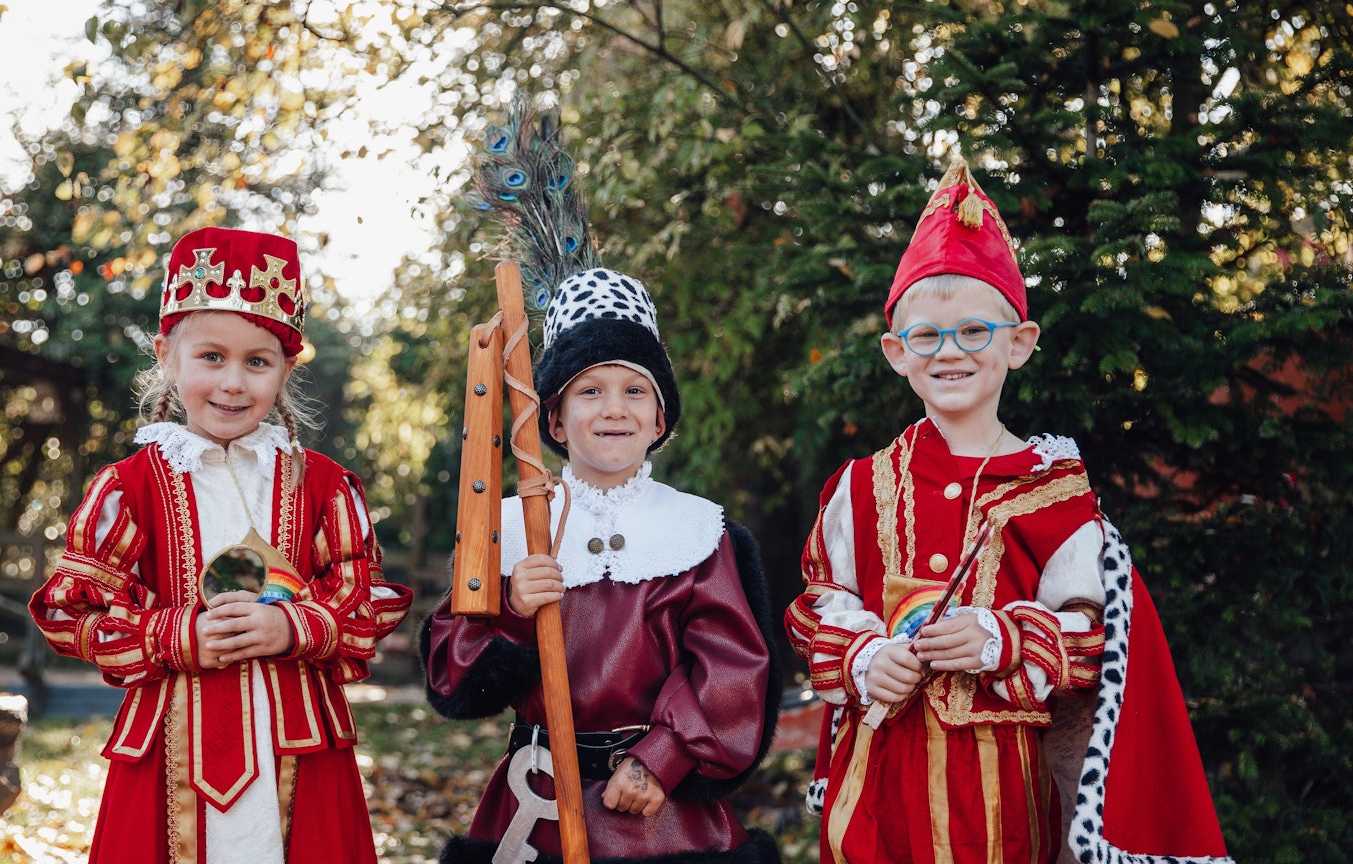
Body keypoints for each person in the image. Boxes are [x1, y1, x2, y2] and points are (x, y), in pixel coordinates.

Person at [784, 159, 1233, 864]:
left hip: (1003, 801)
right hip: (877, 794)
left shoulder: (1055, 498)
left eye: (974, 332)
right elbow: (818, 606)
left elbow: (1095, 642)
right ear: (897, 354)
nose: (950, 352)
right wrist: (866, 656)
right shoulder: (861, 485)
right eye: (927, 337)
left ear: (1018, 343)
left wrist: (1006, 639)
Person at [422, 99, 782, 864]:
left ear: (661, 419)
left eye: (633, 391)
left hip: (656, 808)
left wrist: (664, 757)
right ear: (553, 421)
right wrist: (514, 608)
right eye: (588, 391)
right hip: (536, 807)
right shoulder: (514, 526)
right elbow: (456, 663)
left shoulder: (697, 534)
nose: (612, 409)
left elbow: (731, 668)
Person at [30, 227, 412, 864]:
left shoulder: (323, 486)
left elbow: (364, 598)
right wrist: (177, 637)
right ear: (167, 356)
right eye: (211, 357)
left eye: (257, 362)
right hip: (168, 760)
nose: (233, 382)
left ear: (285, 370)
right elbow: (72, 609)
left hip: (302, 753)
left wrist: (294, 627)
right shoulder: (129, 488)